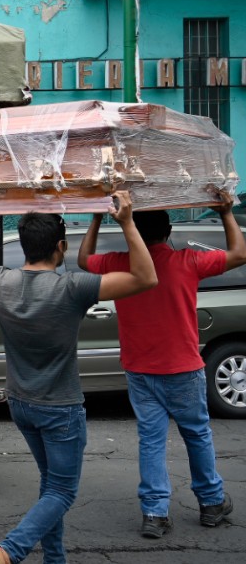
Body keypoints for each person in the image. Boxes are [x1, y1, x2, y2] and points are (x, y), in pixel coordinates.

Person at [0, 191, 157, 564]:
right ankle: (11, 550)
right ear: (61, 246)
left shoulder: (1, 280)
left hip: (21, 403)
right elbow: (146, 278)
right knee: (63, 491)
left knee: (50, 485)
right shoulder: (73, 287)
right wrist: (127, 222)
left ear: (24, 246)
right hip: (60, 408)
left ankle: (55, 558)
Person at [78, 196, 244, 538]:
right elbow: (239, 254)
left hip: (140, 369)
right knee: (197, 435)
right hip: (183, 366)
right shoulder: (189, 260)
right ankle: (211, 504)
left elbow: (83, 260)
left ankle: (154, 513)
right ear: (168, 232)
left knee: (151, 440)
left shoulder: (119, 263)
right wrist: (226, 212)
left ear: (132, 232)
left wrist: (96, 219)